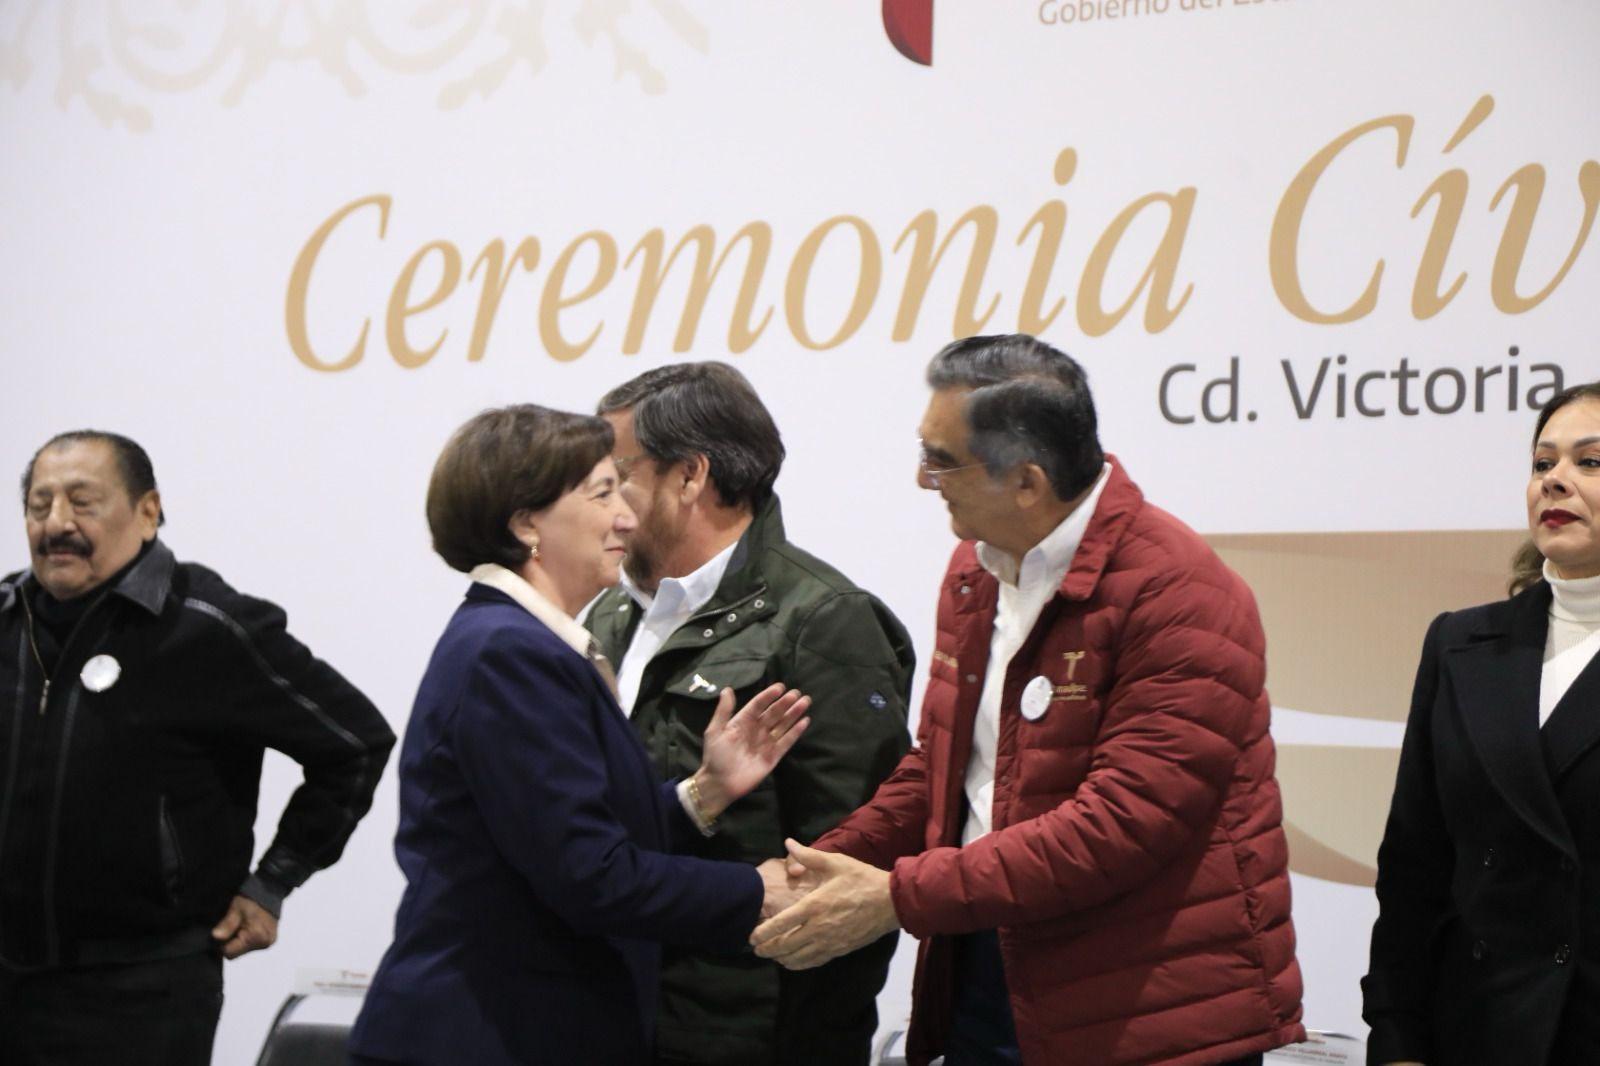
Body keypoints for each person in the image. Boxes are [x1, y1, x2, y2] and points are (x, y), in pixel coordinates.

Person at [751, 334, 1305, 1065]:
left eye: (941, 460)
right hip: (991, 961)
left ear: (1026, 482)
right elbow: (942, 769)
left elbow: (1122, 824)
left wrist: (898, 897)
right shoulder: (975, 569)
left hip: (1147, 1008)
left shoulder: (1180, 591)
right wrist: (821, 864)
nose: (922, 479)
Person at [347, 404, 813, 1066]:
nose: (627, 517)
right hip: (487, 1036)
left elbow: (563, 834)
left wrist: (704, 792)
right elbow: (592, 877)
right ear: (525, 523)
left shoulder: (522, 642)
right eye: (602, 494)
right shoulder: (510, 653)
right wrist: (758, 890)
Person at [0, 430, 395, 1066]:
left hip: (142, 996)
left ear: (148, 511)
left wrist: (274, 880)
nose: (57, 523)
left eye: (82, 502)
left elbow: (355, 743)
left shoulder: (207, 626)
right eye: (39, 505)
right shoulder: (6, 622)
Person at [583, 362, 915, 1066]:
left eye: (617, 475)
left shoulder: (823, 620)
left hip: (743, 1037)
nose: (600, 502)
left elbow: (846, 873)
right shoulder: (607, 614)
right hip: (601, 1014)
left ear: (689, 476)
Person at [1363, 381, 1600, 1066]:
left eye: (1590, 462)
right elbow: (1413, 867)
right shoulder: (1461, 644)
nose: (1556, 480)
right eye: (1543, 463)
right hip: (1479, 1029)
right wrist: (1397, 1039)